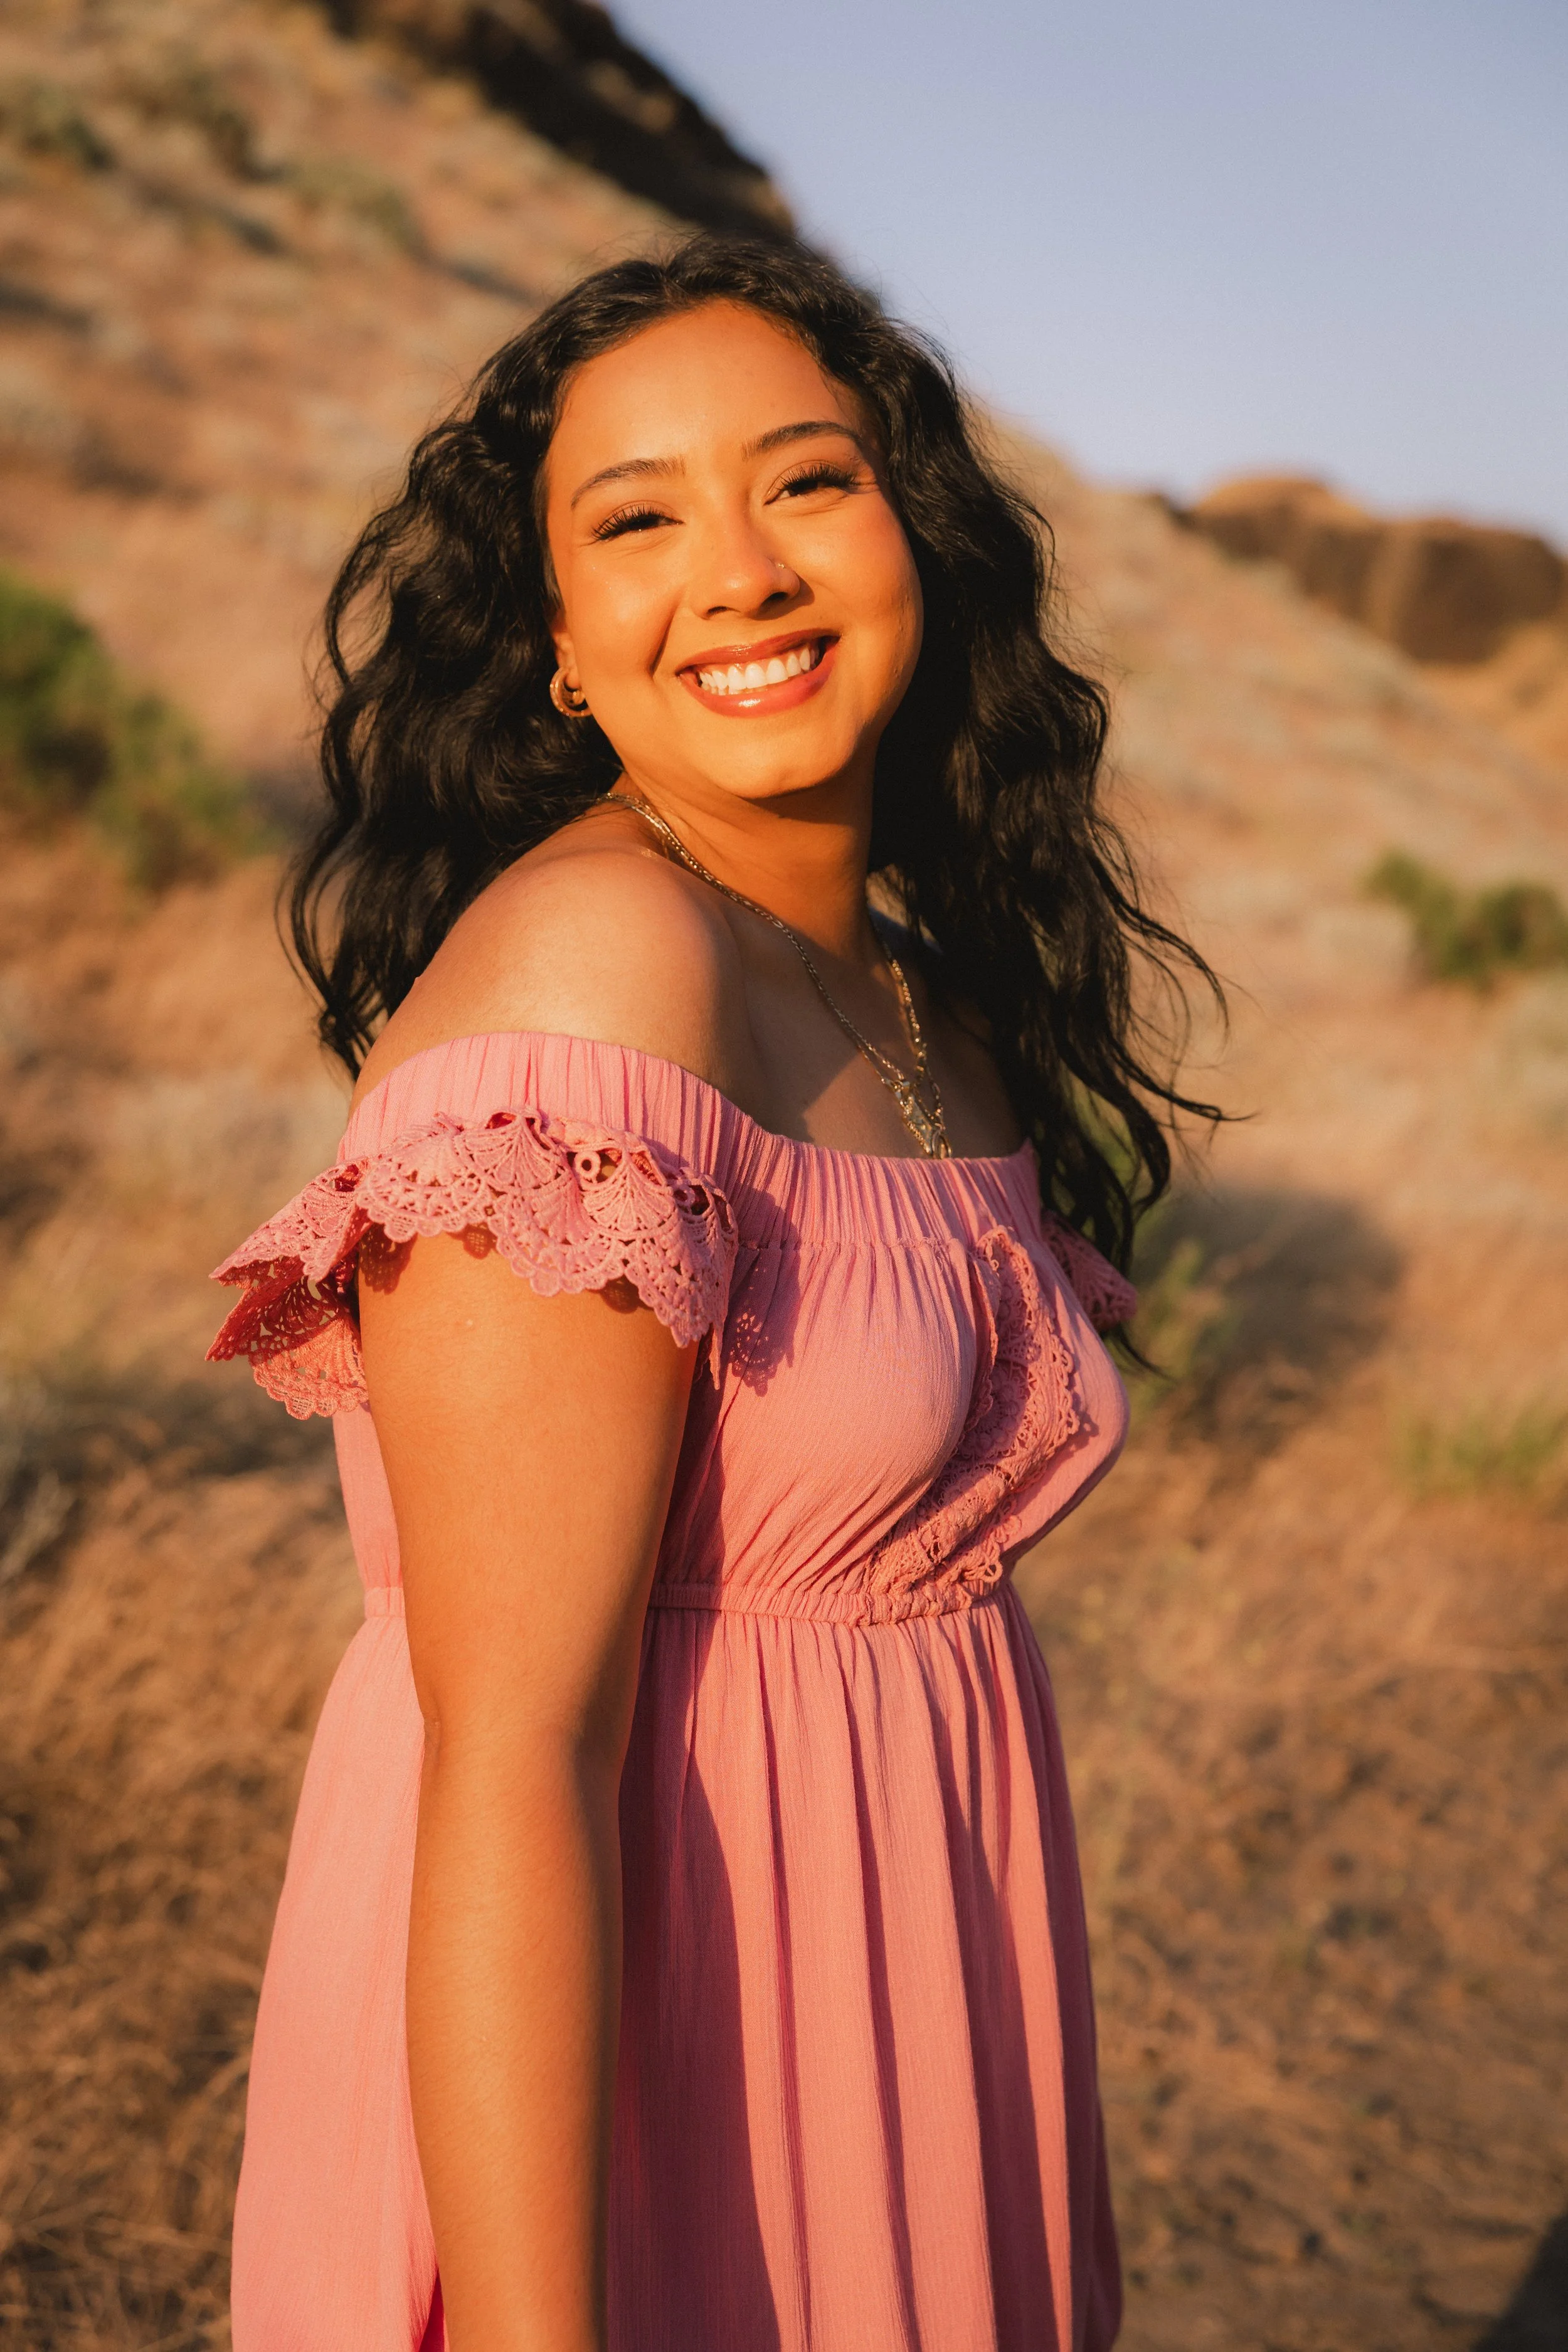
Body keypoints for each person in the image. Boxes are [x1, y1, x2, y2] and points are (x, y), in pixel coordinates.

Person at [209, 233, 1219, 2352]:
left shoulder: (910, 979)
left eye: (805, 482)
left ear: (910, 539)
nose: (740, 569)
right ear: (560, 641)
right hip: (650, 2088)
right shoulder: (603, 970)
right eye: (638, 518)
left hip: (902, 1999)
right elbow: (509, 1754)